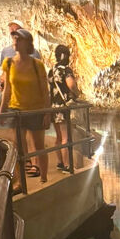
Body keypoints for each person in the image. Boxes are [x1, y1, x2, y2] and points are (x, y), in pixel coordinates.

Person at [0, 28, 51, 182]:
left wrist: (47, 113)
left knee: (39, 146)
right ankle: (20, 181)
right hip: (16, 110)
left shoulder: (37, 65)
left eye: (19, 39)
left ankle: (43, 178)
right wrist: (2, 110)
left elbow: (45, 91)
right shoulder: (8, 63)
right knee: (16, 148)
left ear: (27, 43)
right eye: (14, 38)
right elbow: (7, 89)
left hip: (35, 110)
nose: (15, 41)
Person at [48, 44, 79, 173]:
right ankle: (67, 165)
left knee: (58, 137)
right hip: (63, 107)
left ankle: (60, 162)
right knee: (66, 137)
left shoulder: (52, 70)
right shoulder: (66, 70)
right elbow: (71, 85)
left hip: (53, 108)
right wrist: (77, 93)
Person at [0, 20, 41, 91]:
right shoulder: (5, 51)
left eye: (17, 29)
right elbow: (4, 72)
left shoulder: (34, 52)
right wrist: (1, 83)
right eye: (12, 29)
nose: (14, 32)